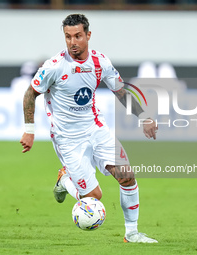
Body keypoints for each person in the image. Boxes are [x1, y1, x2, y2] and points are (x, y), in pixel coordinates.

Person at [20, 14, 158, 243]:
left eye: (77, 36)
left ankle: (132, 233)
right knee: (94, 197)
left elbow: (121, 92)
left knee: (127, 177)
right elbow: (30, 94)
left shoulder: (100, 62)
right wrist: (29, 130)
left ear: (88, 35)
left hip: (96, 128)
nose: (72, 42)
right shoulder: (54, 66)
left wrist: (143, 116)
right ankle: (64, 180)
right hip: (67, 138)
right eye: (68, 37)